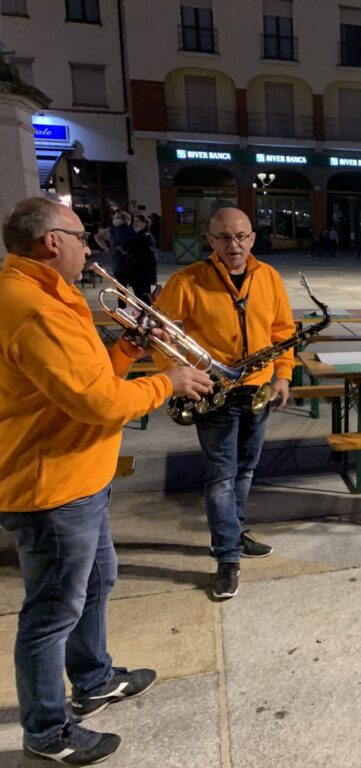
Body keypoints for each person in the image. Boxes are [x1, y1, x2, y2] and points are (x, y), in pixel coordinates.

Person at [0, 197, 212, 765]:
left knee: (97, 581)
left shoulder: (50, 295)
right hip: (52, 484)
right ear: (50, 242)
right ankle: (47, 731)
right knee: (51, 613)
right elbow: (97, 402)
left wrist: (124, 350)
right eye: (79, 236)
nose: (89, 247)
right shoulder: (33, 306)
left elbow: (84, 378)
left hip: (80, 473)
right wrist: (169, 381)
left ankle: (92, 678)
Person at [154, 207, 296, 600]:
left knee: (246, 469)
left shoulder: (268, 277)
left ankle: (232, 533)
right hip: (214, 392)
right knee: (221, 475)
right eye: (224, 238)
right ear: (211, 241)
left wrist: (283, 374)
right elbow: (159, 333)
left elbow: (283, 332)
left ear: (252, 238)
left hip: (257, 389)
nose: (234, 245)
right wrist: (178, 375)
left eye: (241, 236)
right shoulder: (187, 280)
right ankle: (227, 555)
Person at [124, 213, 158, 304]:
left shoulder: (144, 235)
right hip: (138, 270)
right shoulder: (138, 234)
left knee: (143, 295)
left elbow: (129, 247)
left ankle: (145, 314)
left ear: (144, 223)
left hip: (141, 270)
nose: (134, 223)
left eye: (137, 221)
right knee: (141, 295)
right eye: (134, 221)